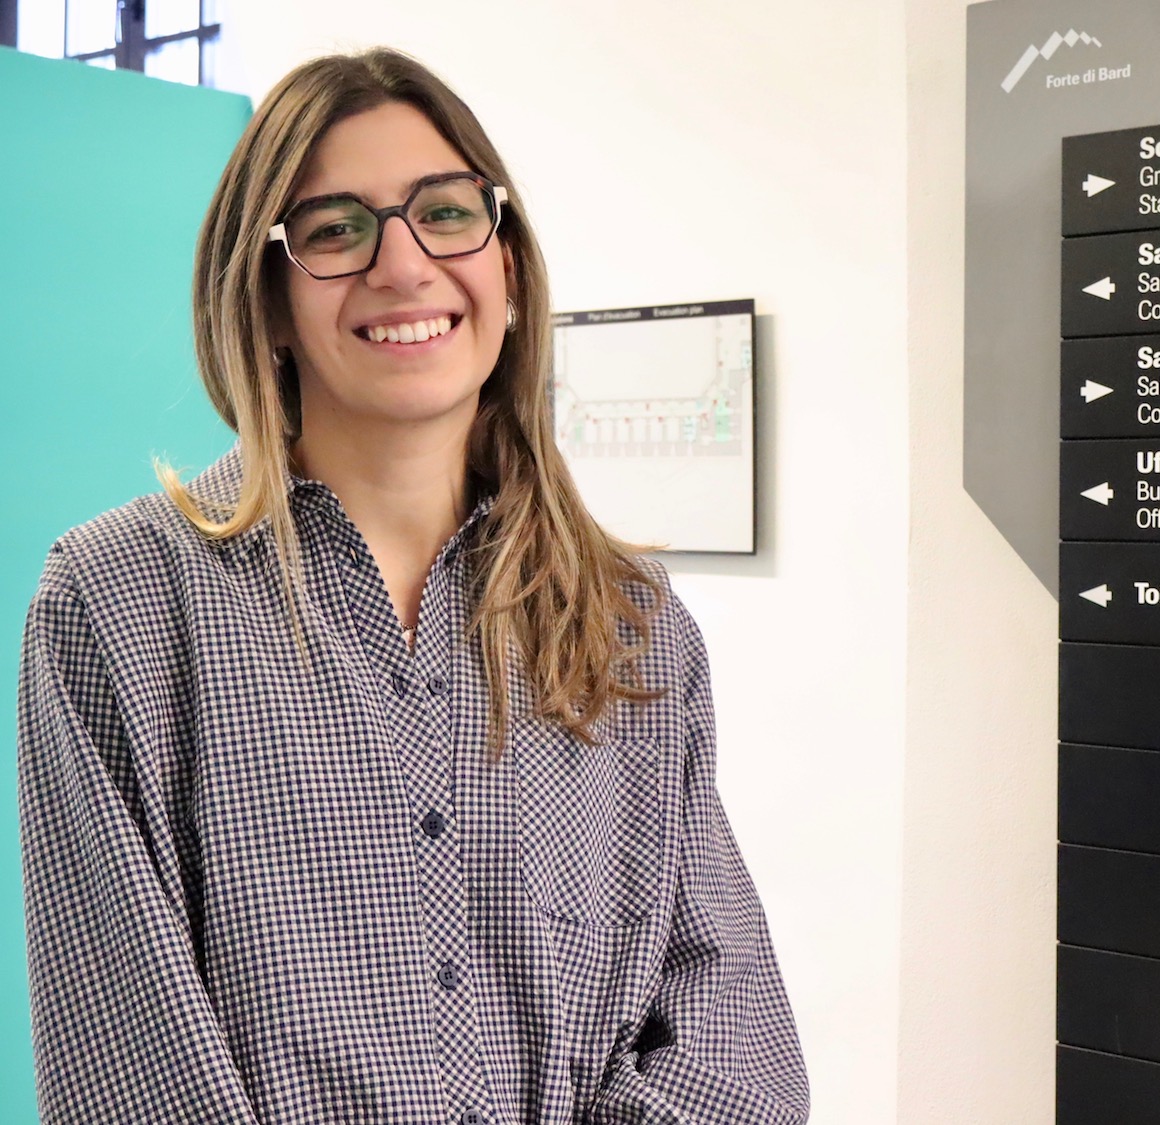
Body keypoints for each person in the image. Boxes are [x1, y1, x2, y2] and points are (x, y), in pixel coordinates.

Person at [16, 47, 808, 1124]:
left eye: (445, 213)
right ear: (268, 300)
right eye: (336, 229)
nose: (403, 265)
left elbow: (735, 1055)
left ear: (508, 269)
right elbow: (131, 1071)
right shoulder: (116, 604)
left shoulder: (633, 624)